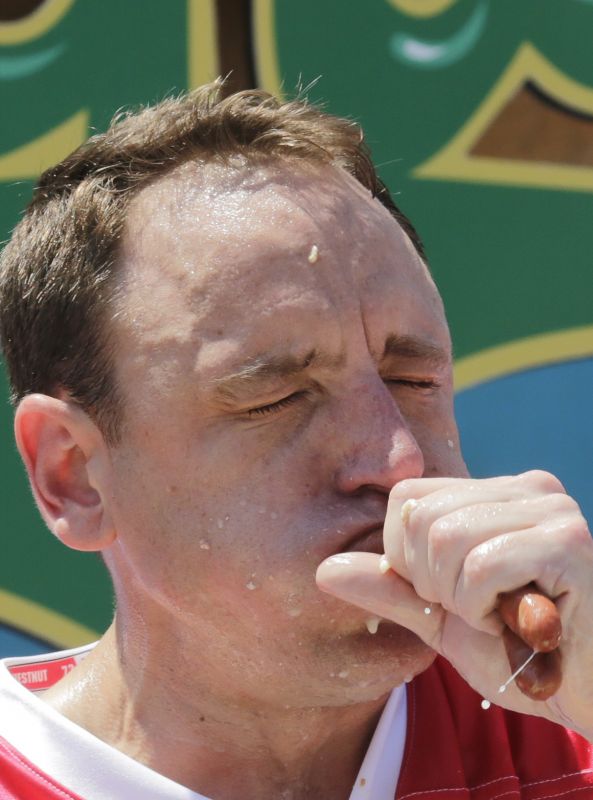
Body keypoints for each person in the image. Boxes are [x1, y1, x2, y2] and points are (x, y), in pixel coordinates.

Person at [0, 81, 592, 800]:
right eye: (277, 396)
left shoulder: (568, 715)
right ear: (74, 475)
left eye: (413, 380)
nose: (397, 460)